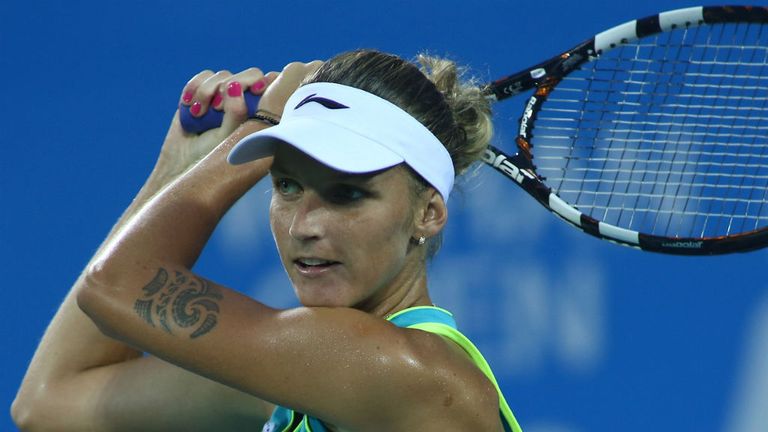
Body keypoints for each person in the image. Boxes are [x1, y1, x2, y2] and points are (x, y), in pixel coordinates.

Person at [12, 49, 523, 432]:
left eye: (346, 194)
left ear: (428, 213)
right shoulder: (300, 376)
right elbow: (49, 402)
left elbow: (115, 286)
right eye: (287, 185)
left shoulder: (400, 369)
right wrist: (175, 170)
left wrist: (255, 128)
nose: (305, 225)